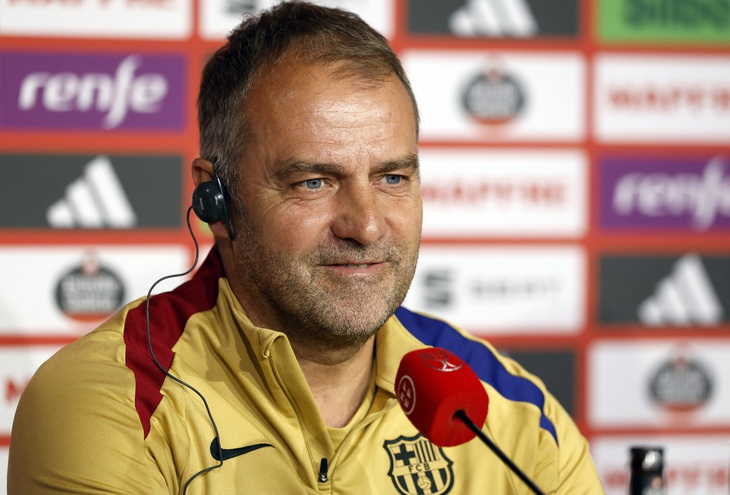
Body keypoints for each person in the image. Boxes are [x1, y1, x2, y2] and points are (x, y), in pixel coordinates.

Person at [8, 2, 605, 494]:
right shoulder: (112, 401)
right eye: (314, 182)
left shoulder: (513, 415)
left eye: (392, 177)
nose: (366, 226)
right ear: (217, 199)